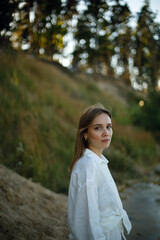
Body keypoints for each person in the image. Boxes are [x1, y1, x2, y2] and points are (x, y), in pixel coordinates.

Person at [68, 104, 132, 240]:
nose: (106, 133)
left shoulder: (98, 161)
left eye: (108, 126)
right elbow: (87, 221)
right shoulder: (88, 166)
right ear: (85, 134)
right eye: (98, 128)